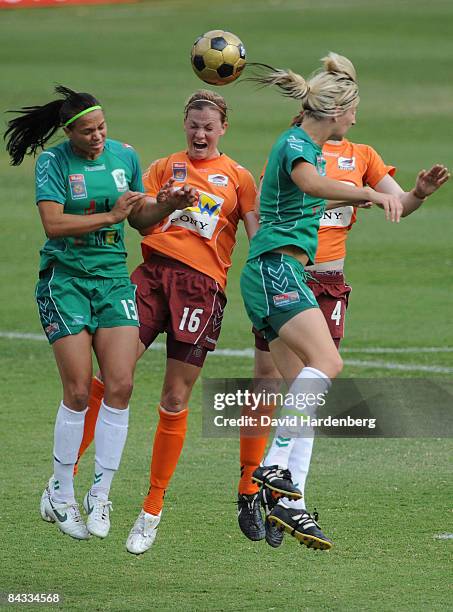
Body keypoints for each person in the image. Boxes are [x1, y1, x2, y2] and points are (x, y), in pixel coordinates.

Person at [242, 113, 450, 548]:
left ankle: (289, 499)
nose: (355, 116)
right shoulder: (298, 151)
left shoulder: (362, 157)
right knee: (300, 378)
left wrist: (417, 194)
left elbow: (397, 205)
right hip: (285, 273)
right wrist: (365, 194)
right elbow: (272, 209)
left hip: (325, 282)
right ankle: (267, 473)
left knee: (309, 392)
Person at [69, 89, 259, 554]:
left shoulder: (238, 178)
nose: (199, 133)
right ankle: (64, 482)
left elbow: (258, 236)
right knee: (113, 375)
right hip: (151, 276)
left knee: (174, 397)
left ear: (222, 130)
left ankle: (151, 510)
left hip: (201, 289)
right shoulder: (160, 168)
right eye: (193, 124)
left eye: (208, 127)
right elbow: (143, 223)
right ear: (185, 124)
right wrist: (169, 202)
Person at [4, 86, 197, 541]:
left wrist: (168, 204)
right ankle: (62, 493)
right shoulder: (52, 163)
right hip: (66, 280)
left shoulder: (124, 157)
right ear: (69, 132)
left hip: (113, 280)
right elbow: (53, 223)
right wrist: (110, 216)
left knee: (122, 385)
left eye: (102, 128)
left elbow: (140, 219)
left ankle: (101, 493)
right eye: (88, 131)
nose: (97, 137)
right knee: (75, 389)